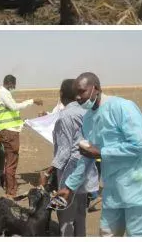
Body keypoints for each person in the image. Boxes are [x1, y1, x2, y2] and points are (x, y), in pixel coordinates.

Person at [58, 72, 142, 236]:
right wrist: (70, 186)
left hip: (141, 188)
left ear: (95, 88)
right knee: (107, 233)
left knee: (141, 235)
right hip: (115, 190)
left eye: (82, 92)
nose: (78, 98)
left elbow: (141, 145)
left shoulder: (121, 107)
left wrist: (101, 152)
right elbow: (87, 156)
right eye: (76, 94)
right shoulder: (88, 119)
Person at [43, 79, 99, 237]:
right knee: (81, 215)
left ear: (61, 94)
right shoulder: (86, 112)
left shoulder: (66, 116)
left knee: (66, 217)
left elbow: (64, 151)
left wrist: (48, 173)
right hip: (85, 169)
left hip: (70, 172)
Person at [0, 75, 43, 197]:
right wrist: (32, 101)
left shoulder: (4, 94)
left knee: (10, 160)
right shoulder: (3, 94)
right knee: (12, 161)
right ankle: (11, 191)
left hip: (9, 130)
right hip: (9, 132)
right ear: (9, 83)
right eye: (13, 85)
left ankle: (10, 186)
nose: (14, 87)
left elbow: (12, 114)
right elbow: (14, 107)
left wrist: (24, 122)